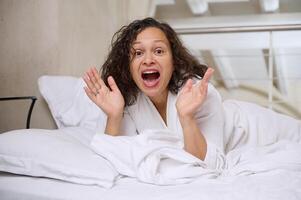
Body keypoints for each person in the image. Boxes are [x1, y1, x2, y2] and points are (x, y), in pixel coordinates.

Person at [83, 17, 226, 169]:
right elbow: (110, 161)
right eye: (138, 53)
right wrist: (114, 116)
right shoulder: (126, 100)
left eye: (158, 51)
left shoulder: (201, 94)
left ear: (174, 61)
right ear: (128, 66)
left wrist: (187, 118)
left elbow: (213, 165)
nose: (148, 60)